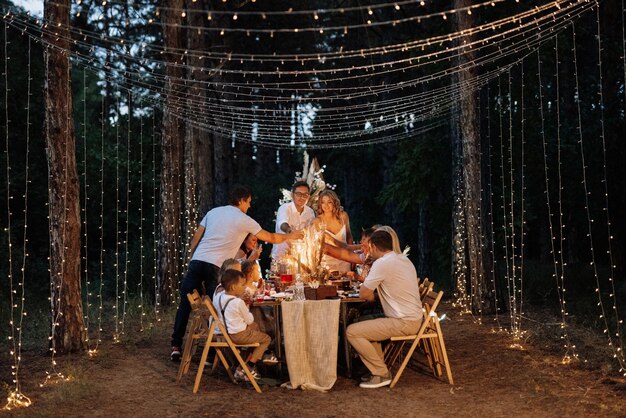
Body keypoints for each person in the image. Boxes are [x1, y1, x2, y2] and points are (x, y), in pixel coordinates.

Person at [170, 184, 302, 361]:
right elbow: (271, 237)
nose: (249, 206)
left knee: (185, 304)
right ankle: (214, 351)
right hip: (215, 266)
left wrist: (192, 258)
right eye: (248, 202)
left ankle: (176, 345)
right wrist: (290, 236)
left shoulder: (213, 212)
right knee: (217, 307)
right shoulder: (244, 219)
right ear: (241, 200)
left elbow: (197, 237)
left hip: (197, 261)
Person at [346, 230, 423, 389]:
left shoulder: (382, 263)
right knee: (363, 322)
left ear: (373, 246)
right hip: (412, 317)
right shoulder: (402, 259)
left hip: (403, 321)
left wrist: (368, 291)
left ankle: (381, 373)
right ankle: (376, 369)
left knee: (352, 331)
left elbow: (363, 293)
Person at [214, 269, 272, 381]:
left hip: (227, 332)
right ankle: (248, 366)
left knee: (255, 328)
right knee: (266, 339)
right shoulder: (238, 302)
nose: (244, 287)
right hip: (239, 335)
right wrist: (245, 306)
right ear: (234, 287)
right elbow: (249, 320)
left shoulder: (219, 297)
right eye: (242, 284)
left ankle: (249, 363)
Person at [271, 180, 316, 259]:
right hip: (282, 255)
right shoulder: (285, 208)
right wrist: (290, 232)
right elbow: (282, 224)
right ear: (292, 195)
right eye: (299, 194)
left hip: (301, 256)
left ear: (308, 197)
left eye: (305, 195)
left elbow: (311, 230)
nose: (302, 197)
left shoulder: (310, 212)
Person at [313, 189, 353, 272]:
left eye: (329, 202)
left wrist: (352, 258)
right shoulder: (317, 221)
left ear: (335, 202)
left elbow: (349, 237)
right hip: (326, 263)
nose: (326, 205)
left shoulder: (343, 216)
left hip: (345, 260)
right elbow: (317, 245)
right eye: (323, 202)